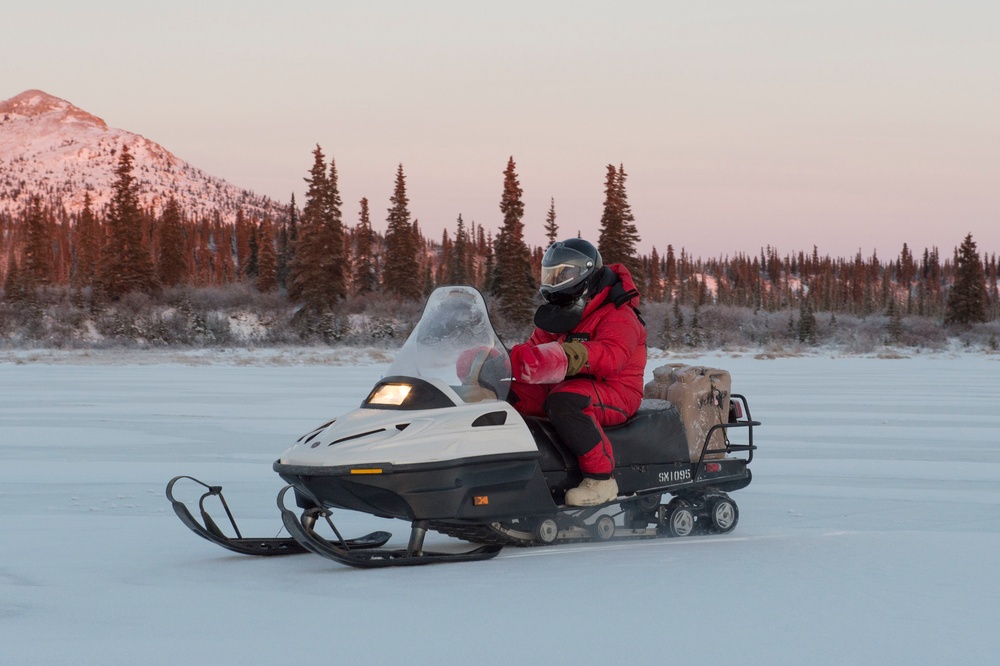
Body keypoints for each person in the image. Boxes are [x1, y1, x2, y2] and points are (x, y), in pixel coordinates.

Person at [508, 238, 646, 506]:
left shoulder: (618, 314)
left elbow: (612, 355)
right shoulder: (561, 313)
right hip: (565, 382)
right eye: (551, 274)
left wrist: (570, 354)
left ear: (584, 273)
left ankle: (601, 480)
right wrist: (494, 360)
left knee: (565, 402)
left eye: (563, 274)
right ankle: (502, 466)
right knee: (510, 393)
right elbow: (534, 348)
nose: (555, 280)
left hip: (617, 390)